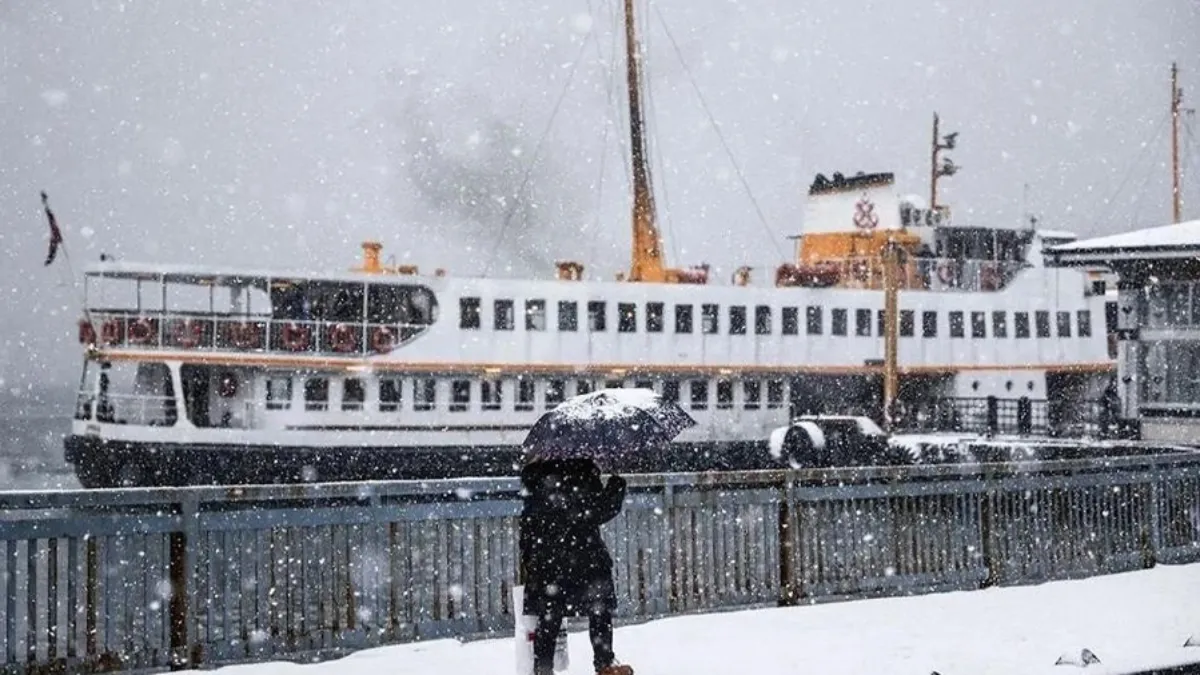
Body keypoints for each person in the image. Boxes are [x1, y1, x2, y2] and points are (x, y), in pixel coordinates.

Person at [519, 457, 633, 675]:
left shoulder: (536, 479)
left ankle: (543, 668)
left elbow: (528, 523)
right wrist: (616, 482)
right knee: (599, 611)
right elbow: (601, 510)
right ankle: (605, 664)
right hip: (585, 557)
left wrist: (530, 558)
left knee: (549, 616)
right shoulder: (581, 472)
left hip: (548, 560)